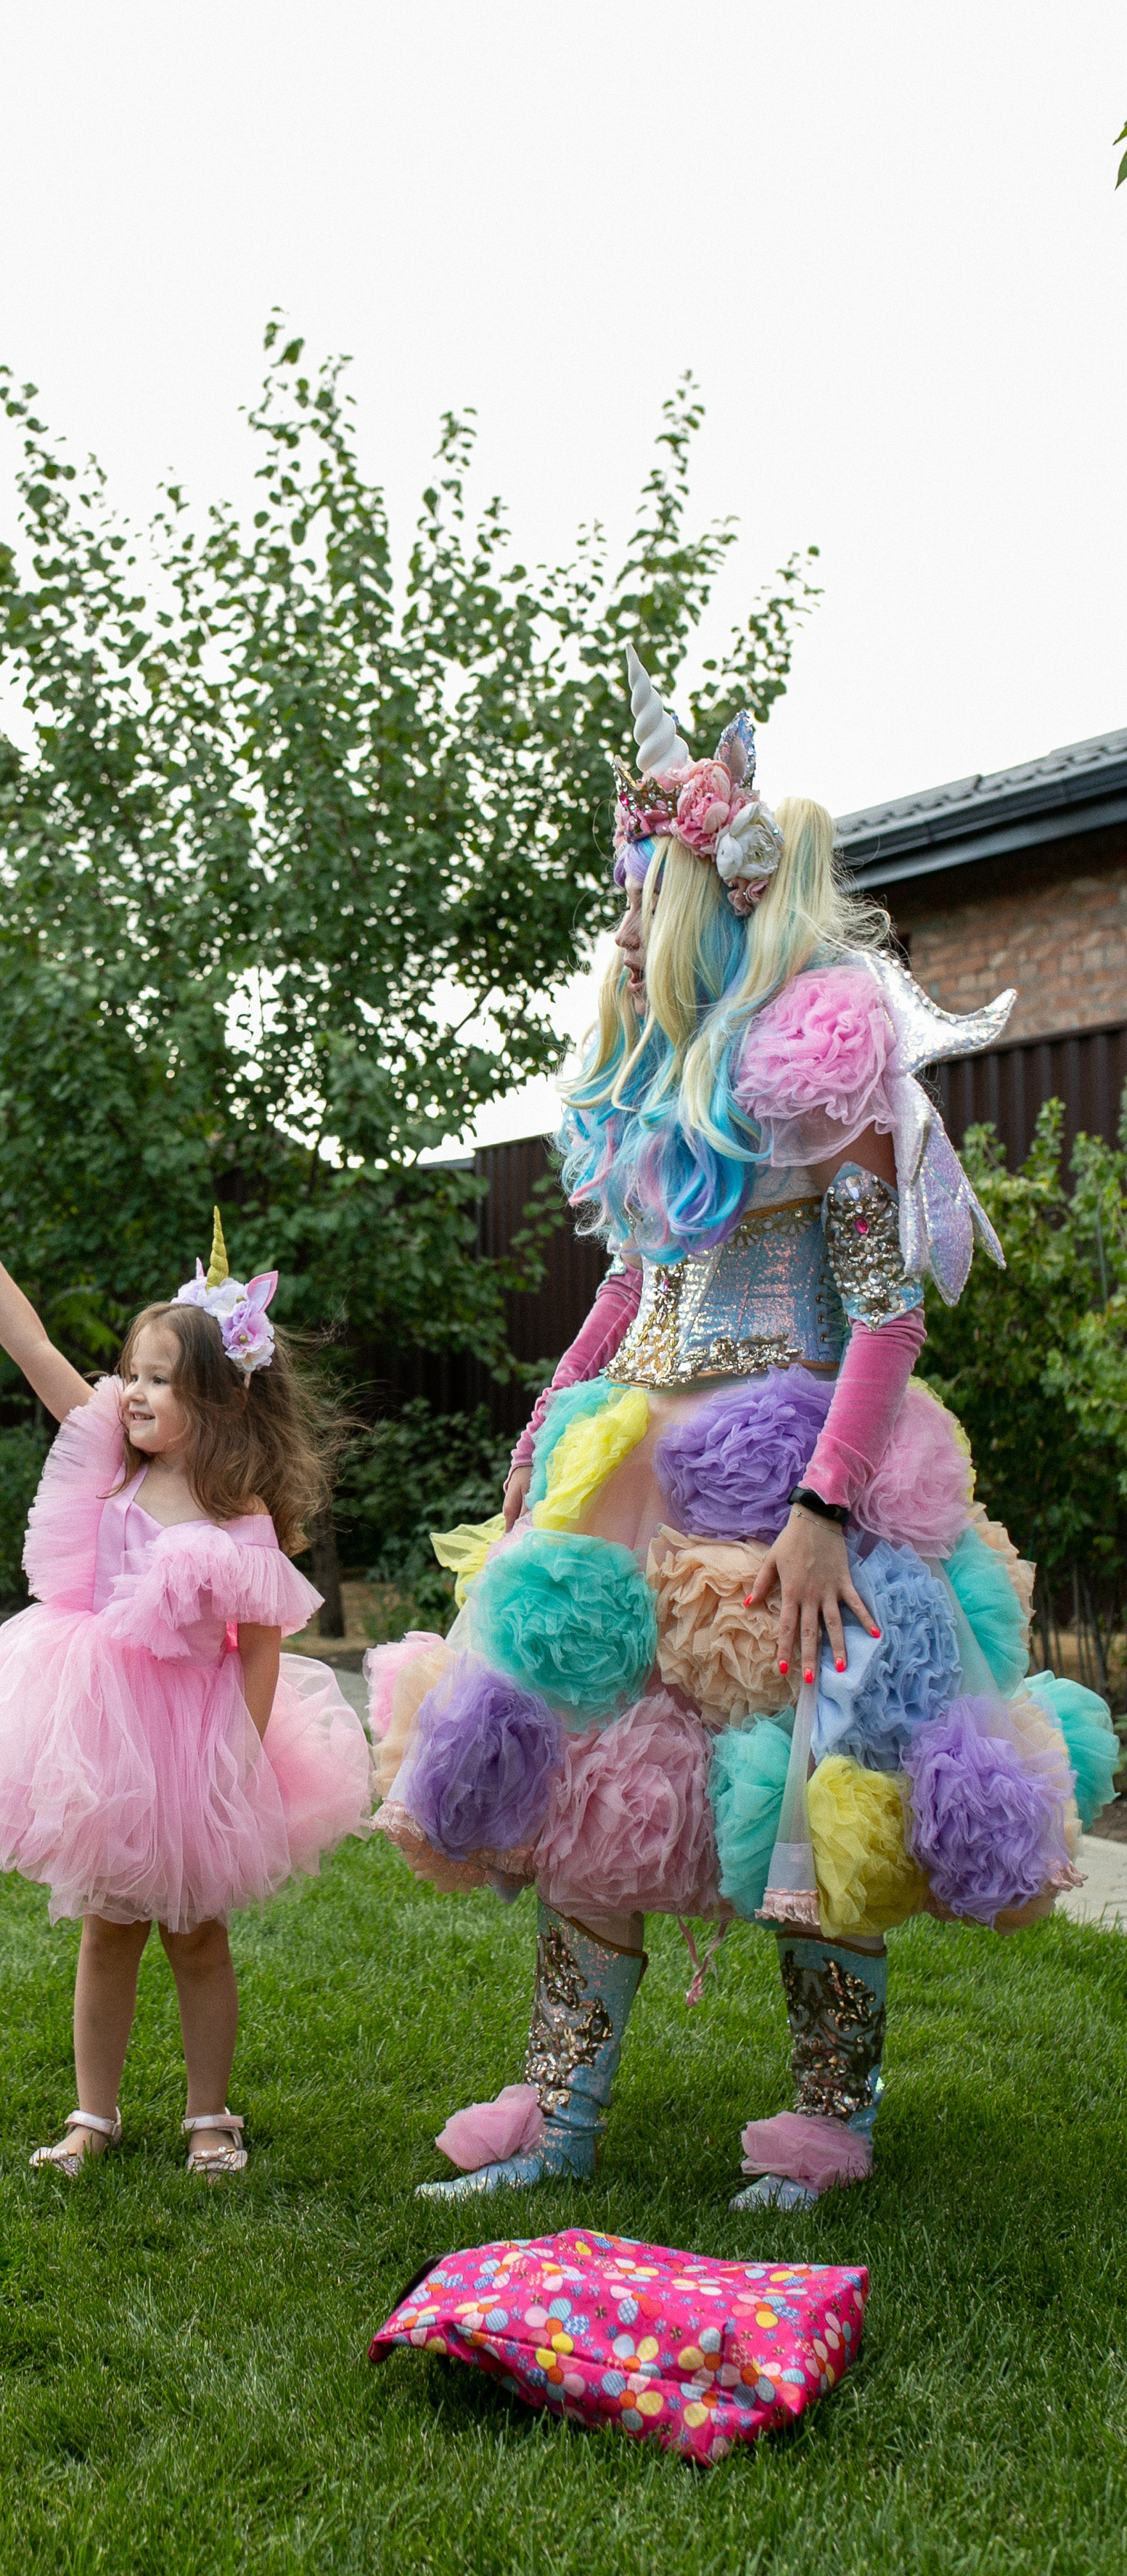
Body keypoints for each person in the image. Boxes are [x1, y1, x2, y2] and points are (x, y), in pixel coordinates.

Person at [373, 647, 1116, 2211]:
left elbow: (888, 1313)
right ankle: (556, 2118)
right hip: (637, 1458)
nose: (626, 921)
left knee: (814, 1784)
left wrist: (823, 1510)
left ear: (715, 893)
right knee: (580, 1786)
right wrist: (550, 1420)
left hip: (788, 1477)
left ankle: (826, 2122)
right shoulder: (661, 1081)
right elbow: (636, 1278)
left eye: (645, 887)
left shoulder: (817, 1070)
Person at [0, 1202, 371, 2178]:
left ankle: (209, 2116)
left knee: (197, 1936)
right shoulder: (107, 1456)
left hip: (199, 1736)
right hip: (93, 1726)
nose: (136, 1393)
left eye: (159, 1379)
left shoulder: (241, 1518)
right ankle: (92, 2115)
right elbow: (33, 1351)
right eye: (134, 1374)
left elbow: (264, 1646)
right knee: (108, 1929)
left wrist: (241, 1751)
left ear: (221, 1397)